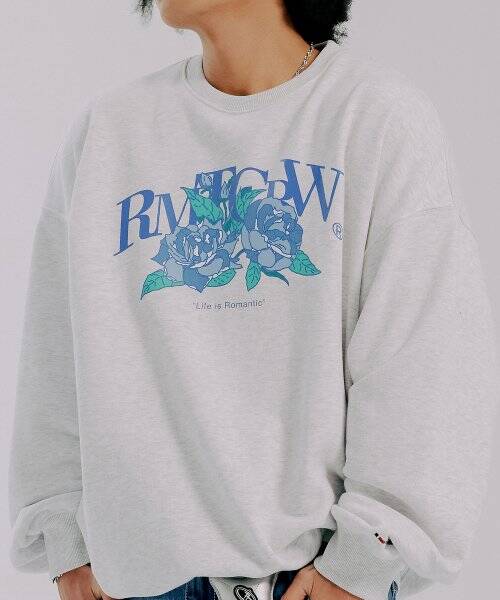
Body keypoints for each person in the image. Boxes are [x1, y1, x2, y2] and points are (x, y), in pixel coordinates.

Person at [8, 1, 499, 599]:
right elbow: (54, 357)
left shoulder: (373, 117)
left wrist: (365, 559)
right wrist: (65, 542)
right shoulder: (108, 132)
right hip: (132, 583)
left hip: (309, 579)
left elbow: (427, 357)